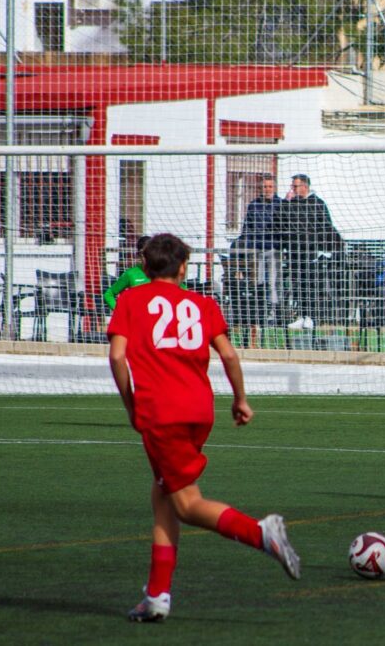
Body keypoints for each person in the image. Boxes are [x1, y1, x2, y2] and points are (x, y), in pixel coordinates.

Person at [107, 233, 300, 623]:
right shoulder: (202, 303)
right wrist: (240, 399)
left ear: (144, 267)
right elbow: (228, 353)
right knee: (163, 496)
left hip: (162, 413)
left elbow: (116, 356)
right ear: (183, 268)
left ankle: (261, 533)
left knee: (186, 504)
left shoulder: (130, 299)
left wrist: (131, 405)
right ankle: (157, 596)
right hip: (200, 410)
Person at [275, 174, 344, 330]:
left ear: (305, 187)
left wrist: (323, 249)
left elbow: (326, 227)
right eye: (292, 186)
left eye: (295, 186)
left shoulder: (317, 204)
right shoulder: (291, 204)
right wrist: (285, 202)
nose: (292, 189)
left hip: (312, 253)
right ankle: (301, 315)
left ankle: (311, 317)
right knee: (297, 285)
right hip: (294, 252)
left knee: (311, 285)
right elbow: (279, 221)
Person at [237, 174, 283, 324]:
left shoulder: (281, 205)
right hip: (257, 251)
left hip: (274, 250)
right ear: (260, 188)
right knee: (258, 282)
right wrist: (245, 250)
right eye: (265, 186)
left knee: (272, 282)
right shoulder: (253, 205)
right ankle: (258, 312)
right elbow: (246, 229)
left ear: (274, 188)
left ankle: (272, 314)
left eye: (270, 186)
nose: (267, 189)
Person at [103, 235, 151, 310]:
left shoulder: (163, 273)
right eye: (142, 253)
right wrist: (120, 312)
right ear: (138, 255)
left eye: (149, 252)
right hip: (137, 319)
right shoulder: (131, 274)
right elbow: (109, 294)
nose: (146, 257)